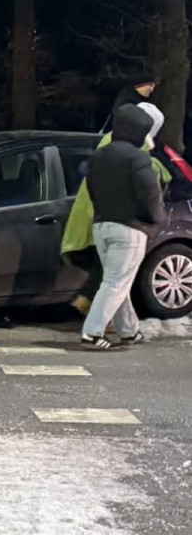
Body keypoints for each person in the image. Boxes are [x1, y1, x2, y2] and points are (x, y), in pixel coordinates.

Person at [80, 102, 167, 349]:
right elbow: (149, 193)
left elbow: (92, 188)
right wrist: (156, 217)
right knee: (116, 283)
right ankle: (93, 332)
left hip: (102, 225)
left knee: (117, 281)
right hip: (129, 228)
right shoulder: (138, 158)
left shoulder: (99, 155)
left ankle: (129, 331)